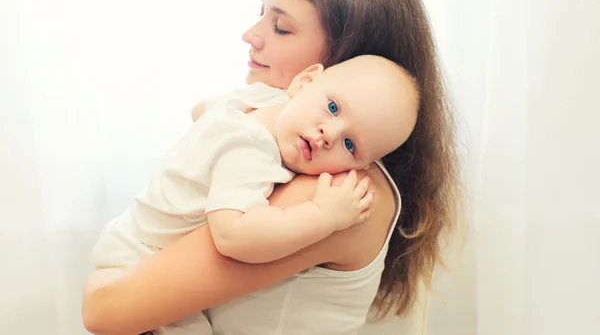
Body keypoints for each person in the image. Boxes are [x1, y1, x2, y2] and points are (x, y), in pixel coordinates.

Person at [82, 0, 461, 335]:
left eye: (281, 27)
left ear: (341, 57)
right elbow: (204, 113)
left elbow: (106, 308)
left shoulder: (338, 193)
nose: (251, 35)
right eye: (262, 13)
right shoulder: (289, 138)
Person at [91, 55, 419, 334]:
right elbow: (234, 236)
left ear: (365, 165)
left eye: (350, 145)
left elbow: (200, 110)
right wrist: (322, 216)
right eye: (332, 107)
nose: (328, 134)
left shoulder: (261, 101)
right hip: (140, 255)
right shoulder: (251, 150)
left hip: (132, 247)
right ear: (305, 81)